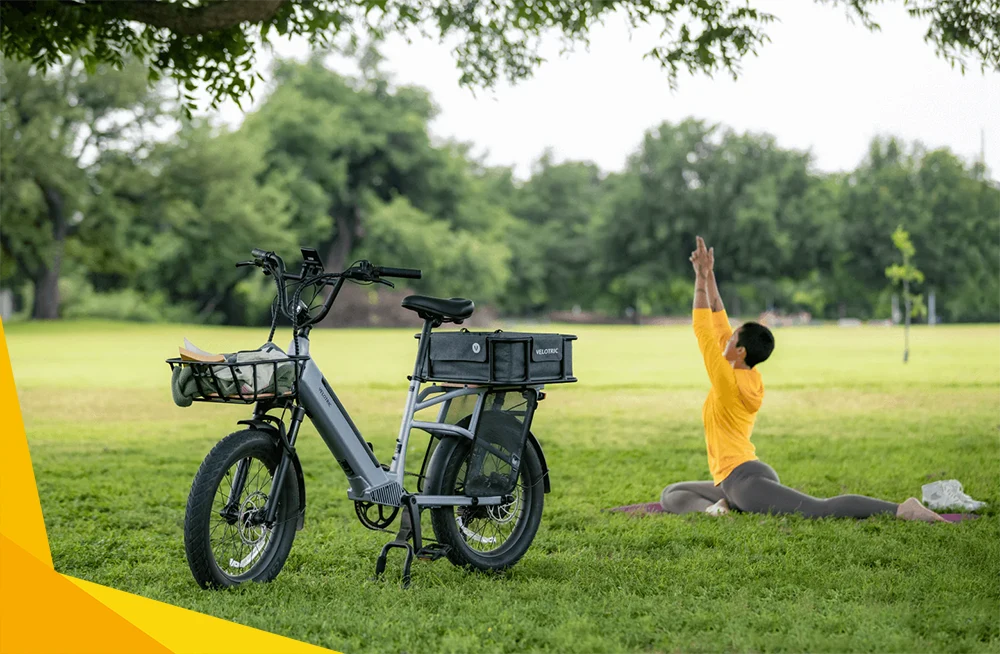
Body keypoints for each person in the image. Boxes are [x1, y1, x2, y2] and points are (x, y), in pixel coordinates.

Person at [659, 236, 944, 523]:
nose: (727, 336)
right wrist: (708, 275)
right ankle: (718, 508)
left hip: (744, 482)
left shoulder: (726, 381)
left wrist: (698, 279)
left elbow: (703, 328)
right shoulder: (745, 373)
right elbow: (718, 316)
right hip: (742, 476)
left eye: (732, 338)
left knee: (818, 509)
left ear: (740, 350)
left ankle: (901, 509)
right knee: (672, 493)